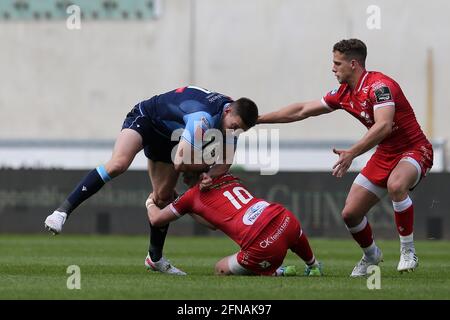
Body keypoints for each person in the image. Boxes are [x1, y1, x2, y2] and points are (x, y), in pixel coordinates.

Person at [257, 39, 433, 277]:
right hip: (385, 154)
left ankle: (408, 251)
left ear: (353, 64)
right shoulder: (343, 94)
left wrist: (352, 153)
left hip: (414, 149)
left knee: (396, 185)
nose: (333, 68)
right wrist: (258, 120)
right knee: (350, 214)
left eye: (337, 63)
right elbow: (301, 110)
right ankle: (372, 255)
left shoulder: (380, 86)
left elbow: (383, 125)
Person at [44, 85, 259, 275]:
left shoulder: (231, 116)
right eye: (234, 125)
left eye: (240, 129)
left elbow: (224, 165)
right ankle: (62, 212)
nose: (234, 131)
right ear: (228, 110)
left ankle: (154, 259)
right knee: (118, 164)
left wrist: (208, 178)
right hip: (147, 118)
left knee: (163, 198)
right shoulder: (202, 117)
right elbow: (181, 161)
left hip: (170, 137)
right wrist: (203, 170)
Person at [146, 172, 323, 277]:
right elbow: (212, 224)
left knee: (220, 269)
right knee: (293, 233)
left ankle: (276, 272)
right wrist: (186, 206)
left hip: (262, 244)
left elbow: (156, 219)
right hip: (284, 217)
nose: (182, 178)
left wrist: (150, 202)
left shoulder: (189, 196)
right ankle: (313, 266)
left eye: (183, 173)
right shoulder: (227, 175)